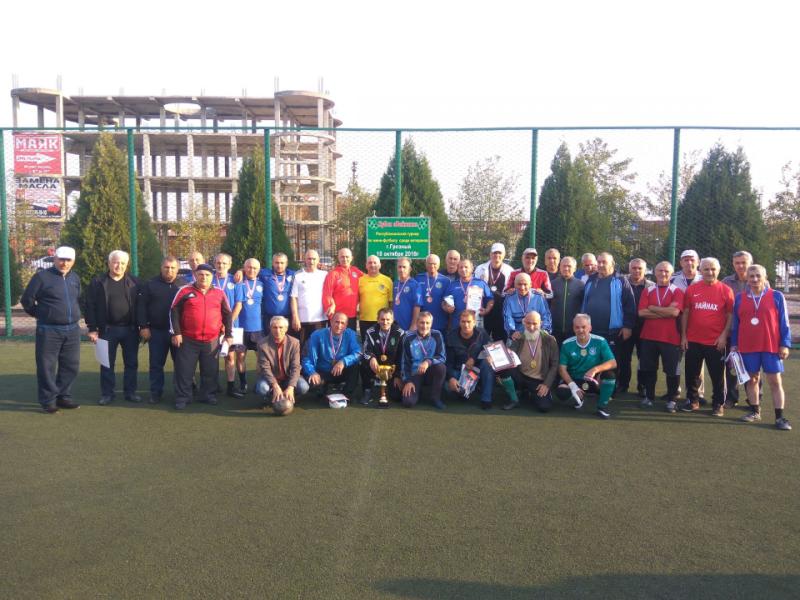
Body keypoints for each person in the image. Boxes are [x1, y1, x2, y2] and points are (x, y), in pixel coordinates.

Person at [21, 245, 82, 413]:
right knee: (46, 367)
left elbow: (77, 298)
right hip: (48, 330)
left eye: (68, 260)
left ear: (73, 261)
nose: (64, 263)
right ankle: (48, 401)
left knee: (71, 365)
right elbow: (27, 300)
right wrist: (41, 314)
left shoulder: (75, 278)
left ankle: (63, 397)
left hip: (72, 329)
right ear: (55, 259)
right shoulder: (41, 277)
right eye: (61, 259)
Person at [731, 264, 792, 430]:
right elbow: (736, 324)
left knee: (775, 381)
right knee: (752, 379)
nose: (755, 279)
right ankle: (754, 411)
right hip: (747, 346)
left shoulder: (777, 296)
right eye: (751, 276)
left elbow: (784, 323)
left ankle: (780, 417)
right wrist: (734, 344)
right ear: (747, 279)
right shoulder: (740, 298)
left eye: (758, 275)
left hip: (770, 346)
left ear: (765, 277)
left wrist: (785, 344)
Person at [170, 263, 234, 410]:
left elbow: (227, 314)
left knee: (210, 370)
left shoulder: (219, 293)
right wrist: (177, 333)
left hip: (211, 340)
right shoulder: (184, 291)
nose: (204, 277)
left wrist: (228, 334)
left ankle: (207, 395)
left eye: (207, 275)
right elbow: (174, 312)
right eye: (200, 275)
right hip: (188, 339)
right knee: (184, 370)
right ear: (195, 275)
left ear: (212, 277)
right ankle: (183, 397)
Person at [84, 250, 141, 405]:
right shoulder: (98, 282)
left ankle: (130, 392)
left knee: (131, 363)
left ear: (127, 265)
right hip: (106, 330)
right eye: (115, 262)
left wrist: (142, 326)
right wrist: (92, 328)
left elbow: (141, 306)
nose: (119, 266)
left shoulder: (135, 282)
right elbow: (90, 306)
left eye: (122, 263)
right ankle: (107, 394)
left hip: (130, 330)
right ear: (109, 263)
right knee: (106, 363)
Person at [680, 257, 734, 416]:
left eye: (713, 269)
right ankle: (693, 400)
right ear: (700, 271)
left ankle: (718, 404)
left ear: (719, 270)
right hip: (693, 340)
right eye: (706, 269)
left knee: (717, 376)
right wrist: (684, 336)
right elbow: (686, 313)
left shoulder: (726, 290)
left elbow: (730, 315)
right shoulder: (692, 289)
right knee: (692, 374)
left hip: (715, 342)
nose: (710, 272)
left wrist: (724, 336)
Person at [137, 256, 188, 403]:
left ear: (177, 269)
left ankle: (181, 393)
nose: (169, 270)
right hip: (157, 332)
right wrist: (144, 326)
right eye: (166, 267)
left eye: (172, 268)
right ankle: (156, 393)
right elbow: (141, 307)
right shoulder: (150, 284)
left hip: (178, 333)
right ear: (161, 268)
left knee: (181, 365)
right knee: (156, 365)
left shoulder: (184, 285)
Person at [722, 250, 766, 408]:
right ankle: (731, 397)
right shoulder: (726, 282)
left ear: (750, 263)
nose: (740, 266)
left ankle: (754, 398)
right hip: (732, 330)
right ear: (733, 264)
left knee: (753, 366)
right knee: (732, 366)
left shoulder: (761, 281)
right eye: (737, 263)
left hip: (753, 334)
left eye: (744, 262)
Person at [637, 261, 684, 412]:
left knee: (672, 371)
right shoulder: (648, 290)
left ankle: (672, 400)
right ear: (655, 272)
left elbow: (674, 312)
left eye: (666, 271)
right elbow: (641, 312)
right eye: (660, 271)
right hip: (649, 336)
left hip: (670, 338)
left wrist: (652, 308)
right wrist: (665, 312)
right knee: (648, 368)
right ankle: (649, 397)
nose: (663, 273)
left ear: (671, 274)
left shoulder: (677, 291)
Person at [581, 252, 637, 372]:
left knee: (611, 363)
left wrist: (627, 326)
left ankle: (612, 383)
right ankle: (591, 383)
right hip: (591, 330)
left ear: (612, 264)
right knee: (591, 361)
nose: (600, 265)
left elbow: (630, 305)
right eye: (599, 262)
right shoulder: (591, 280)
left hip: (612, 332)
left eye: (604, 262)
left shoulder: (621, 280)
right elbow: (584, 302)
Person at [555, 314, 618, 419]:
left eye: (583, 327)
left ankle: (601, 407)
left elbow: (613, 362)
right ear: (573, 328)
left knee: (610, 375)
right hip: (575, 379)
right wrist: (573, 386)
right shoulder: (566, 344)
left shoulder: (600, 341)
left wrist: (595, 369)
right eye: (577, 327)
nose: (580, 330)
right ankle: (579, 397)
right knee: (562, 392)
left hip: (594, 380)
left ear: (590, 328)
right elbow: (562, 369)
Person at [500, 310, 559, 412]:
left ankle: (530, 393)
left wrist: (546, 384)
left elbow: (555, 365)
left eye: (535, 324)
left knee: (544, 407)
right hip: (521, 376)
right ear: (524, 322)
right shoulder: (519, 337)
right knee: (505, 368)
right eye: (528, 323)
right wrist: (494, 358)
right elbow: (509, 355)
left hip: (538, 380)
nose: (531, 327)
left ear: (540, 323)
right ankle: (514, 398)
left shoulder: (549, 340)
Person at [302, 312, 361, 401]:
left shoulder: (351, 334)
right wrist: (312, 372)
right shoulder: (317, 335)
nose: (339, 325)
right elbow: (307, 358)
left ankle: (347, 394)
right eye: (337, 322)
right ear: (331, 322)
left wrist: (343, 361)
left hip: (341, 371)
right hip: (323, 372)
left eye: (342, 323)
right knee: (316, 388)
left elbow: (357, 353)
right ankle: (323, 388)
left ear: (346, 325)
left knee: (355, 366)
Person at [255, 316, 309, 414]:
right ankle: (271, 397)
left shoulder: (294, 343)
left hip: (288, 377)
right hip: (270, 377)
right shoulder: (262, 344)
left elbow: (296, 366)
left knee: (303, 387)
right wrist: (275, 385)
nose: (278, 330)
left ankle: (290, 395)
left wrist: (291, 386)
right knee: (262, 388)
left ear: (286, 329)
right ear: (270, 328)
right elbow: (265, 368)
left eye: (281, 327)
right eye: (274, 327)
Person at [617, 258, 654, 396]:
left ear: (645, 270)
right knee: (624, 357)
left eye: (640, 268)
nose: (637, 271)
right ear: (629, 268)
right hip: (625, 326)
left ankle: (642, 386)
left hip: (644, 327)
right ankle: (623, 384)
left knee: (644, 358)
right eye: (634, 268)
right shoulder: (620, 283)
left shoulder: (652, 286)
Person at [445, 310, 493, 409]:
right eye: (463, 321)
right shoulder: (451, 336)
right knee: (447, 388)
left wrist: (481, 357)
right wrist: (450, 378)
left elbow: (490, 348)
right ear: (459, 322)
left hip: (477, 370)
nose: (466, 325)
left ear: (474, 322)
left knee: (487, 363)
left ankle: (486, 399)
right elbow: (448, 362)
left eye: (469, 321)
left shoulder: (482, 333)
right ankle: (463, 392)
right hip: (459, 371)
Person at [232, 258, 265, 397]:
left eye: (255, 268)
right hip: (240, 328)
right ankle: (243, 383)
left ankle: (260, 383)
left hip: (258, 328)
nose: (252, 270)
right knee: (240, 357)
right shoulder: (238, 284)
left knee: (261, 358)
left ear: (259, 270)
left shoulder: (263, 283)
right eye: (249, 267)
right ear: (244, 268)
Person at [401, 311, 447, 409]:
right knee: (408, 402)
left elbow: (442, 357)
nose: (424, 326)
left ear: (431, 324)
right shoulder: (408, 337)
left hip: (431, 371)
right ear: (417, 323)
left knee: (441, 367)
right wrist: (408, 381)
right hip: (415, 373)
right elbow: (404, 362)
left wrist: (428, 362)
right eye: (422, 322)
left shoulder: (437, 335)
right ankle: (418, 390)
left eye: (427, 323)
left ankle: (435, 398)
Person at [212, 253, 242, 399]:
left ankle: (231, 386)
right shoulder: (209, 279)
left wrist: (227, 324)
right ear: (214, 264)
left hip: (231, 326)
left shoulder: (236, 280)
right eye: (218, 263)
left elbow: (238, 305)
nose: (221, 265)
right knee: (211, 357)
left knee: (230, 356)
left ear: (230, 265)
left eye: (224, 263)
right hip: (212, 325)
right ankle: (212, 385)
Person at [360, 307, 404, 404]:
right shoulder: (370, 331)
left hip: (392, 368)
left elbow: (402, 356)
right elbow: (366, 350)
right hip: (375, 366)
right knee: (364, 360)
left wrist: (397, 375)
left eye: (388, 319)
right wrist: (371, 358)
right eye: (382, 319)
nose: (385, 322)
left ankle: (387, 386)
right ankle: (367, 390)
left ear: (392, 320)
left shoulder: (399, 333)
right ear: (378, 319)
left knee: (397, 396)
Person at [474, 242, 513, 341]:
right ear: (490, 254)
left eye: (500, 253)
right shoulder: (480, 269)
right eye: (494, 253)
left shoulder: (510, 271)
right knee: (481, 338)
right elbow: (474, 288)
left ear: (504, 255)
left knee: (500, 339)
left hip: (501, 310)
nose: (497, 255)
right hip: (484, 309)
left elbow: (512, 289)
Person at [290, 249, 328, 349]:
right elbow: (293, 297)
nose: (311, 261)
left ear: (318, 260)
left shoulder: (325, 275)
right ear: (305, 260)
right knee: (301, 348)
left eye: (314, 259)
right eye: (309, 259)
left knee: (319, 348)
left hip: (320, 319)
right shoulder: (298, 275)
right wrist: (295, 317)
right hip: (302, 319)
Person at [442, 259, 493, 331]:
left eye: (466, 267)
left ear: (472, 269)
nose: (463, 269)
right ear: (458, 269)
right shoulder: (452, 285)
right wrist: (447, 308)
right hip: (457, 325)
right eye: (461, 267)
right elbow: (444, 302)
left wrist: (487, 310)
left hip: (476, 324)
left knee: (477, 338)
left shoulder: (480, 283)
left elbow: (490, 299)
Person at [322, 248, 363, 330]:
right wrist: (330, 311)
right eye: (342, 257)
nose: (345, 259)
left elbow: (367, 280)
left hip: (352, 316)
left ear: (351, 258)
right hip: (337, 317)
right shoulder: (333, 274)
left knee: (350, 337)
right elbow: (327, 294)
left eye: (347, 257)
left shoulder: (356, 272)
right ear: (338, 258)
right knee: (336, 338)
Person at [256, 252, 295, 338]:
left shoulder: (293, 274)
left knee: (287, 341)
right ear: (272, 263)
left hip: (287, 316)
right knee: (269, 342)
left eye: (282, 263)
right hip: (269, 316)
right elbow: (250, 269)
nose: (279, 265)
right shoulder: (265, 274)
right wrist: (241, 271)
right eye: (276, 262)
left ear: (286, 263)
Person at [503, 272, 552, 340]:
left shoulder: (539, 297)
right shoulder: (509, 298)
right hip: (518, 334)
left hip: (536, 334)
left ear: (530, 284)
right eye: (519, 284)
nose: (522, 288)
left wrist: (545, 330)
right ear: (514, 285)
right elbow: (508, 317)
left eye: (525, 284)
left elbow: (546, 315)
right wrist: (512, 332)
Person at [550, 256, 585, 346]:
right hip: (555, 330)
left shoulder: (581, 285)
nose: (566, 268)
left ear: (575, 268)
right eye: (564, 266)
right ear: (560, 267)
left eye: (569, 266)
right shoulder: (552, 284)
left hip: (574, 330)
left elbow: (584, 306)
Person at [357, 255, 392, 339]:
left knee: (383, 344)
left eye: (375, 263)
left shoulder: (387, 280)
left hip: (383, 321)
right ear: (366, 265)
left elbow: (391, 302)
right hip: (365, 320)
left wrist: (390, 319)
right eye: (370, 263)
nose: (372, 265)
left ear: (380, 265)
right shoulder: (360, 280)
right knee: (366, 344)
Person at [416, 253, 451, 334]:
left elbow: (448, 302)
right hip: (422, 324)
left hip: (440, 323)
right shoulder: (418, 278)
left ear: (438, 265)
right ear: (426, 264)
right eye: (430, 263)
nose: (432, 266)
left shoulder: (445, 281)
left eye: (434, 264)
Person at [393, 257, 422, 331]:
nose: (401, 269)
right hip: (395, 325)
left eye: (404, 267)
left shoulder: (415, 285)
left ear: (410, 269)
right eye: (399, 267)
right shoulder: (395, 284)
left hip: (408, 326)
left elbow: (417, 306)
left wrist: (414, 324)